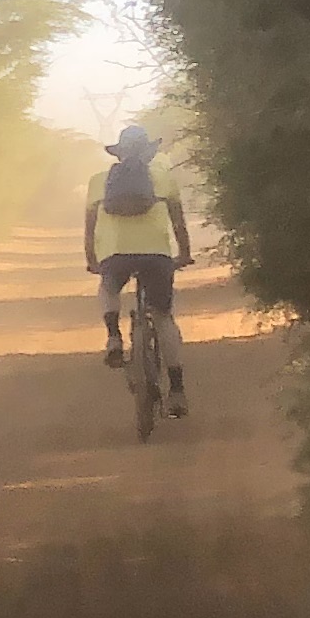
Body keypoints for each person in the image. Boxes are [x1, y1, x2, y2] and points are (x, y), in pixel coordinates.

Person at [85, 121, 198, 405]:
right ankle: (176, 391)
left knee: (108, 289)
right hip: (156, 256)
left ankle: (113, 336)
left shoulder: (99, 180)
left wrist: (92, 260)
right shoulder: (164, 178)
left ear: (119, 153)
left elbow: (89, 227)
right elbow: (178, 222)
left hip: (115, 255)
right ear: (148, 153)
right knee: (162, 318)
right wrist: (183, 254)